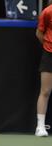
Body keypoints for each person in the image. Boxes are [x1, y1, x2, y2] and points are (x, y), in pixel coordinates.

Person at [35, 0, 52, 137]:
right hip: (49, 55)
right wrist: (48, 46)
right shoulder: (47, 12)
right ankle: (40, 127)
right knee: (45, 91)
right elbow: (39, 33)